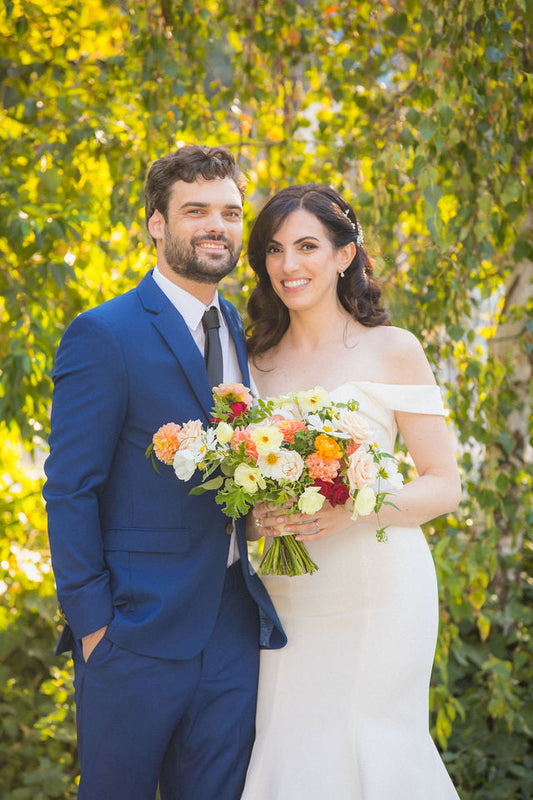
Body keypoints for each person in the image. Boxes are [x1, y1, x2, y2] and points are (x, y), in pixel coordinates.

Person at [43, 144, 286, 800]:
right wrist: (96, 627)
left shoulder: (233, 326)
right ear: (157, 223)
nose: (218, 226)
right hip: (134, 631)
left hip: (233, 628)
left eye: (231, 213)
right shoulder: (105, 333)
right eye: (196, 211)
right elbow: (69, 489)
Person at [240, 184, 462, 799]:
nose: (289, 266)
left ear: (344, 255)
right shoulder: (252, 362)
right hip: (287, 590)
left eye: (307, 246)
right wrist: (260, 516)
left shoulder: (393, 349)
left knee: (373, 743)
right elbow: (244, 508)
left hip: (378, 590)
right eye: (275, 250)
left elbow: (445, 486)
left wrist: (355, 509)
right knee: (289, 742)